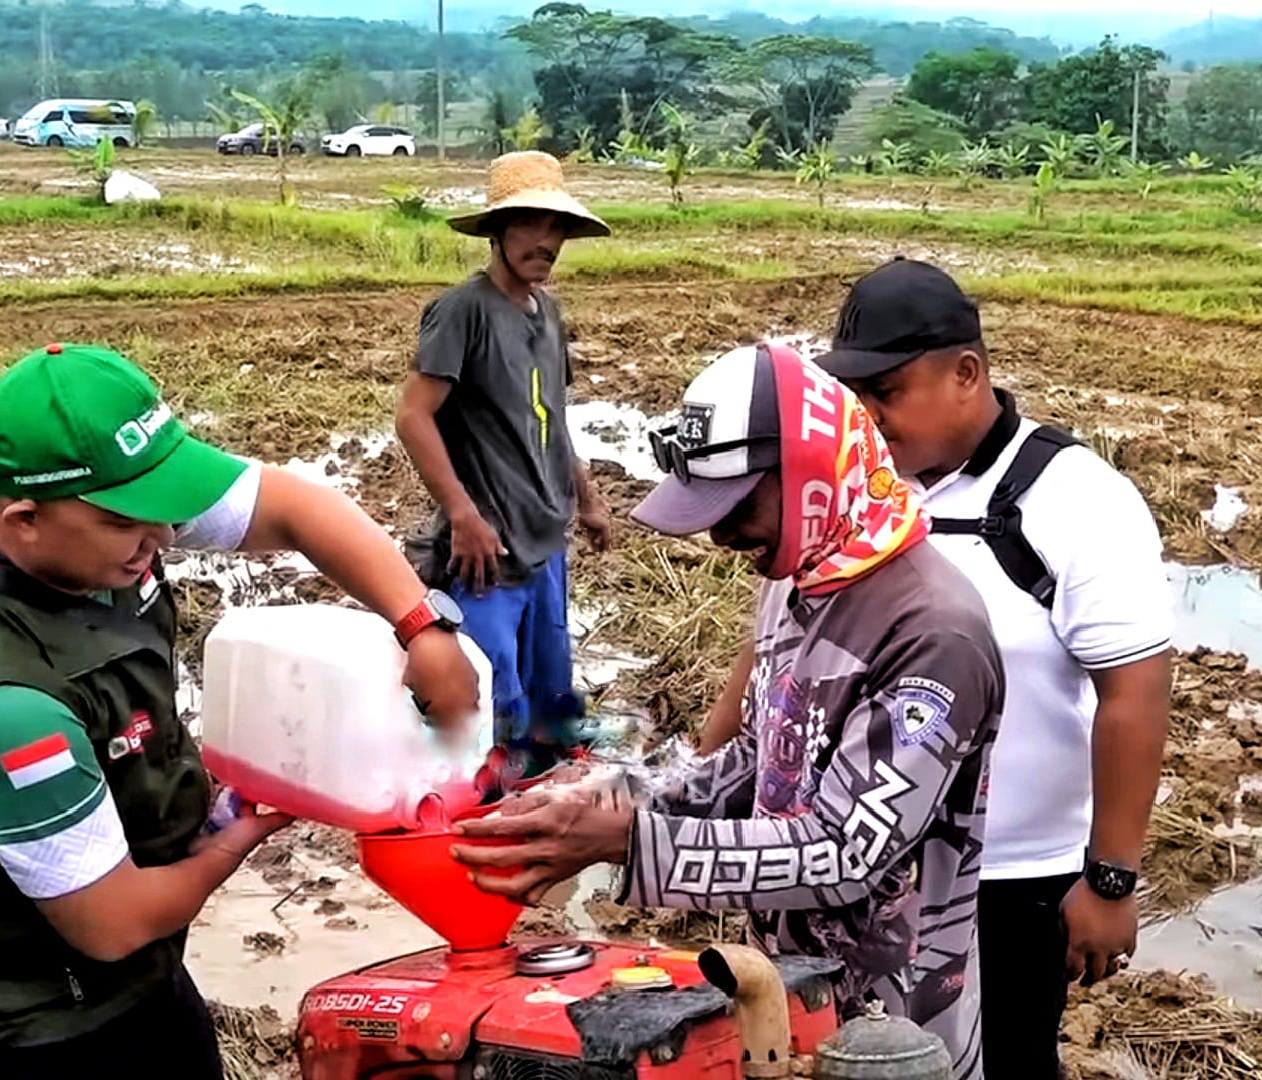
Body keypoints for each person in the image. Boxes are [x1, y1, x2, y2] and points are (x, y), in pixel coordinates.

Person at [0, 343, 481, 1080]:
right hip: (27, 1023)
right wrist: (230, 840)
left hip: (133, 958)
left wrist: (421, 625)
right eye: (134, 522)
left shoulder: (85, 515)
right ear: (24, 519)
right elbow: (113, 924)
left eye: (166, 507)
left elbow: (294, 507)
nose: (163, 538)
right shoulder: (4, 707)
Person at [455, 343, 1003, 1079]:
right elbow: (764, 754)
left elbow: (848, 853)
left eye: (737, 506)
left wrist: (631, 842)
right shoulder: (802, 579)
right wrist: (621, 796)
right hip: (783, 997)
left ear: (811, 475)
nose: (720, 536)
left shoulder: (933, 633)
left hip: (895, 1036)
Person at [812, 259, 1173, 1080]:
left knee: (1008, 1061)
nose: (868, 417)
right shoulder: (858, 492)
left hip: (1012, 881)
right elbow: (779, 645)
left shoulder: (1077, 499)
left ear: (966, 373)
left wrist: (1110, 880)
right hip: (860, 866)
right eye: (855, 396)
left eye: (887, 392)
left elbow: (1134, 695)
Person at [396, 150, 613, 776]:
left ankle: (550, 797)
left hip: (546, 542)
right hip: (486, 553)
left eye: (556, 227)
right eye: (528, 223)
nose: (545, 241)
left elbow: (552, 419)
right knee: (492, 710)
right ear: (496, 229)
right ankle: (482, 811)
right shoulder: (463, 310)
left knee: (551, 698)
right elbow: (413, 416)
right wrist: (463, 514)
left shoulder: (549, 313)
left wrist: (587, 500)